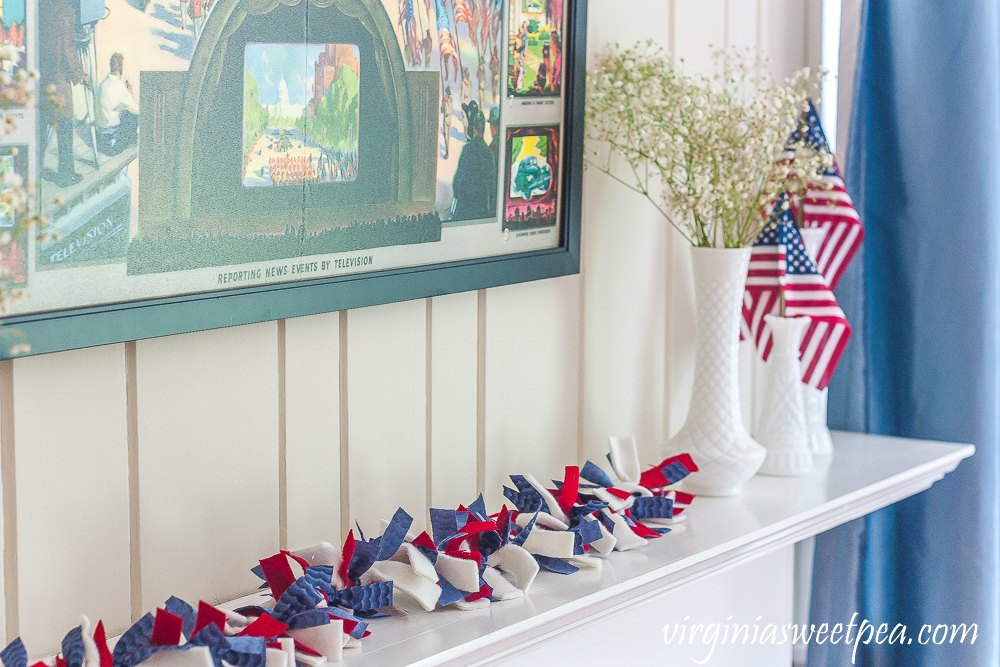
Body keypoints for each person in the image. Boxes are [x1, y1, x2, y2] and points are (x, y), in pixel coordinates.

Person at [39, 0, 88, 187]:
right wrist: (80, 74)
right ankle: (66, 174)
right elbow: (68, 49)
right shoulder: (65, 11)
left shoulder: (40, 7)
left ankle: (33, 171)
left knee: (41, 125)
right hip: (58, 78)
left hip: (40, 75)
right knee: (65, 126)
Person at [451, 101, 496, 221]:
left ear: (474, 129)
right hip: (482, 208)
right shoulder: (488, 152)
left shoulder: (468, 149)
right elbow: (492, 184)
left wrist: (457, 193)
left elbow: (459, 178)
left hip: (465, 207)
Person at [95, 53, 140, 156]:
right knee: (132, 115)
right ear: (121, 67)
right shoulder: (120, 88)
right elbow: (136, 110)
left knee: (123, 111)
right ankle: (132, 142)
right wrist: (130, 95)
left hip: (99, 137)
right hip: (112, 144)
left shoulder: (103, 83)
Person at [441, 86, 453, 159]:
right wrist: (442, 106)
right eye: (448, 93)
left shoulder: (451, 100)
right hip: (445, 117)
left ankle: (447, 150)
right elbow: (442, 111)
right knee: (445, 136)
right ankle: (447, 151)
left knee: (448, 136)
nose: (448, 95)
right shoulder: (444, 100)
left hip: (449, 118)